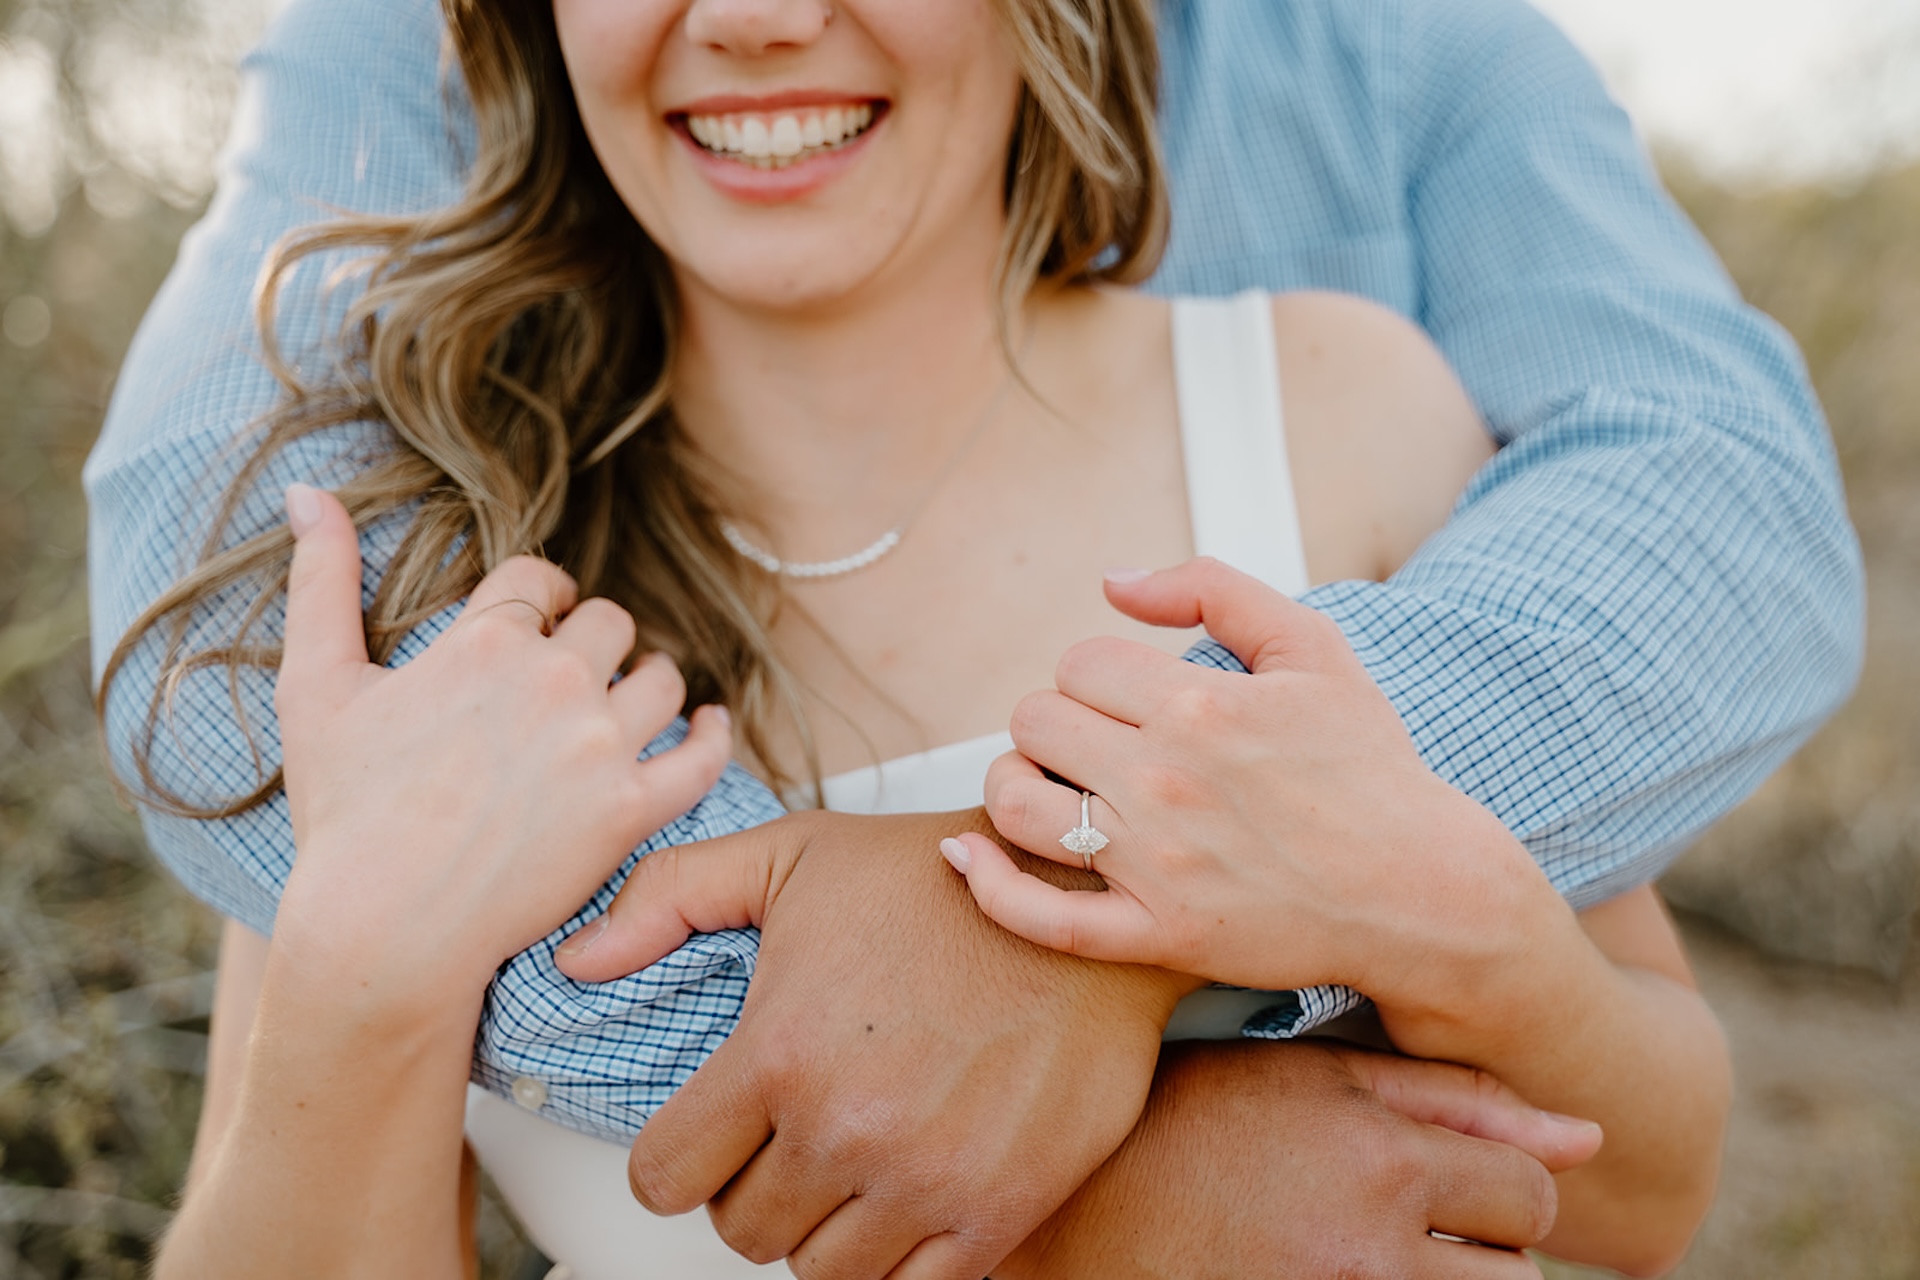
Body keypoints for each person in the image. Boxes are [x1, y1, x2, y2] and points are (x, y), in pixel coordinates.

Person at [84, 0, 1858, 1274]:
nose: (762, 21)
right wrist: (357, 975)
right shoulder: (465, 587)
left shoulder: (1340, 410)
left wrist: (1398, 898)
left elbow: (1649, 1187)